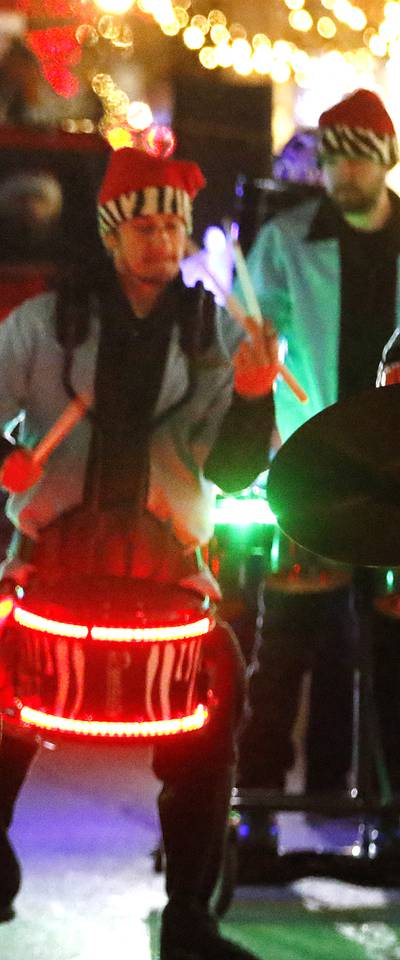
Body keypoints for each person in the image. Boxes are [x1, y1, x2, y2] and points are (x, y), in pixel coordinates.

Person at [0, 147, 278, 959]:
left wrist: (253, 402)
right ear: (112, 235)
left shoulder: (213, 331)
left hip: (170, 570)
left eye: (173, 226)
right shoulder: (50, 319)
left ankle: (190, 914)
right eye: (143, 227)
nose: (160, 242)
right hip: (50, 558)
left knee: (213, 734)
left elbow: (230, 469)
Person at [236, 88, 400, 863]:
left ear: (384, 160)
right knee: (289, 645)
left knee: (394, 657)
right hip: (315, 467)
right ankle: (260, 806)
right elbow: (251, 328)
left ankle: (389, 811)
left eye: (355, 156)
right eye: (332, 155)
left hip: (399, 473)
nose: (340, 170)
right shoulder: (286, 240)